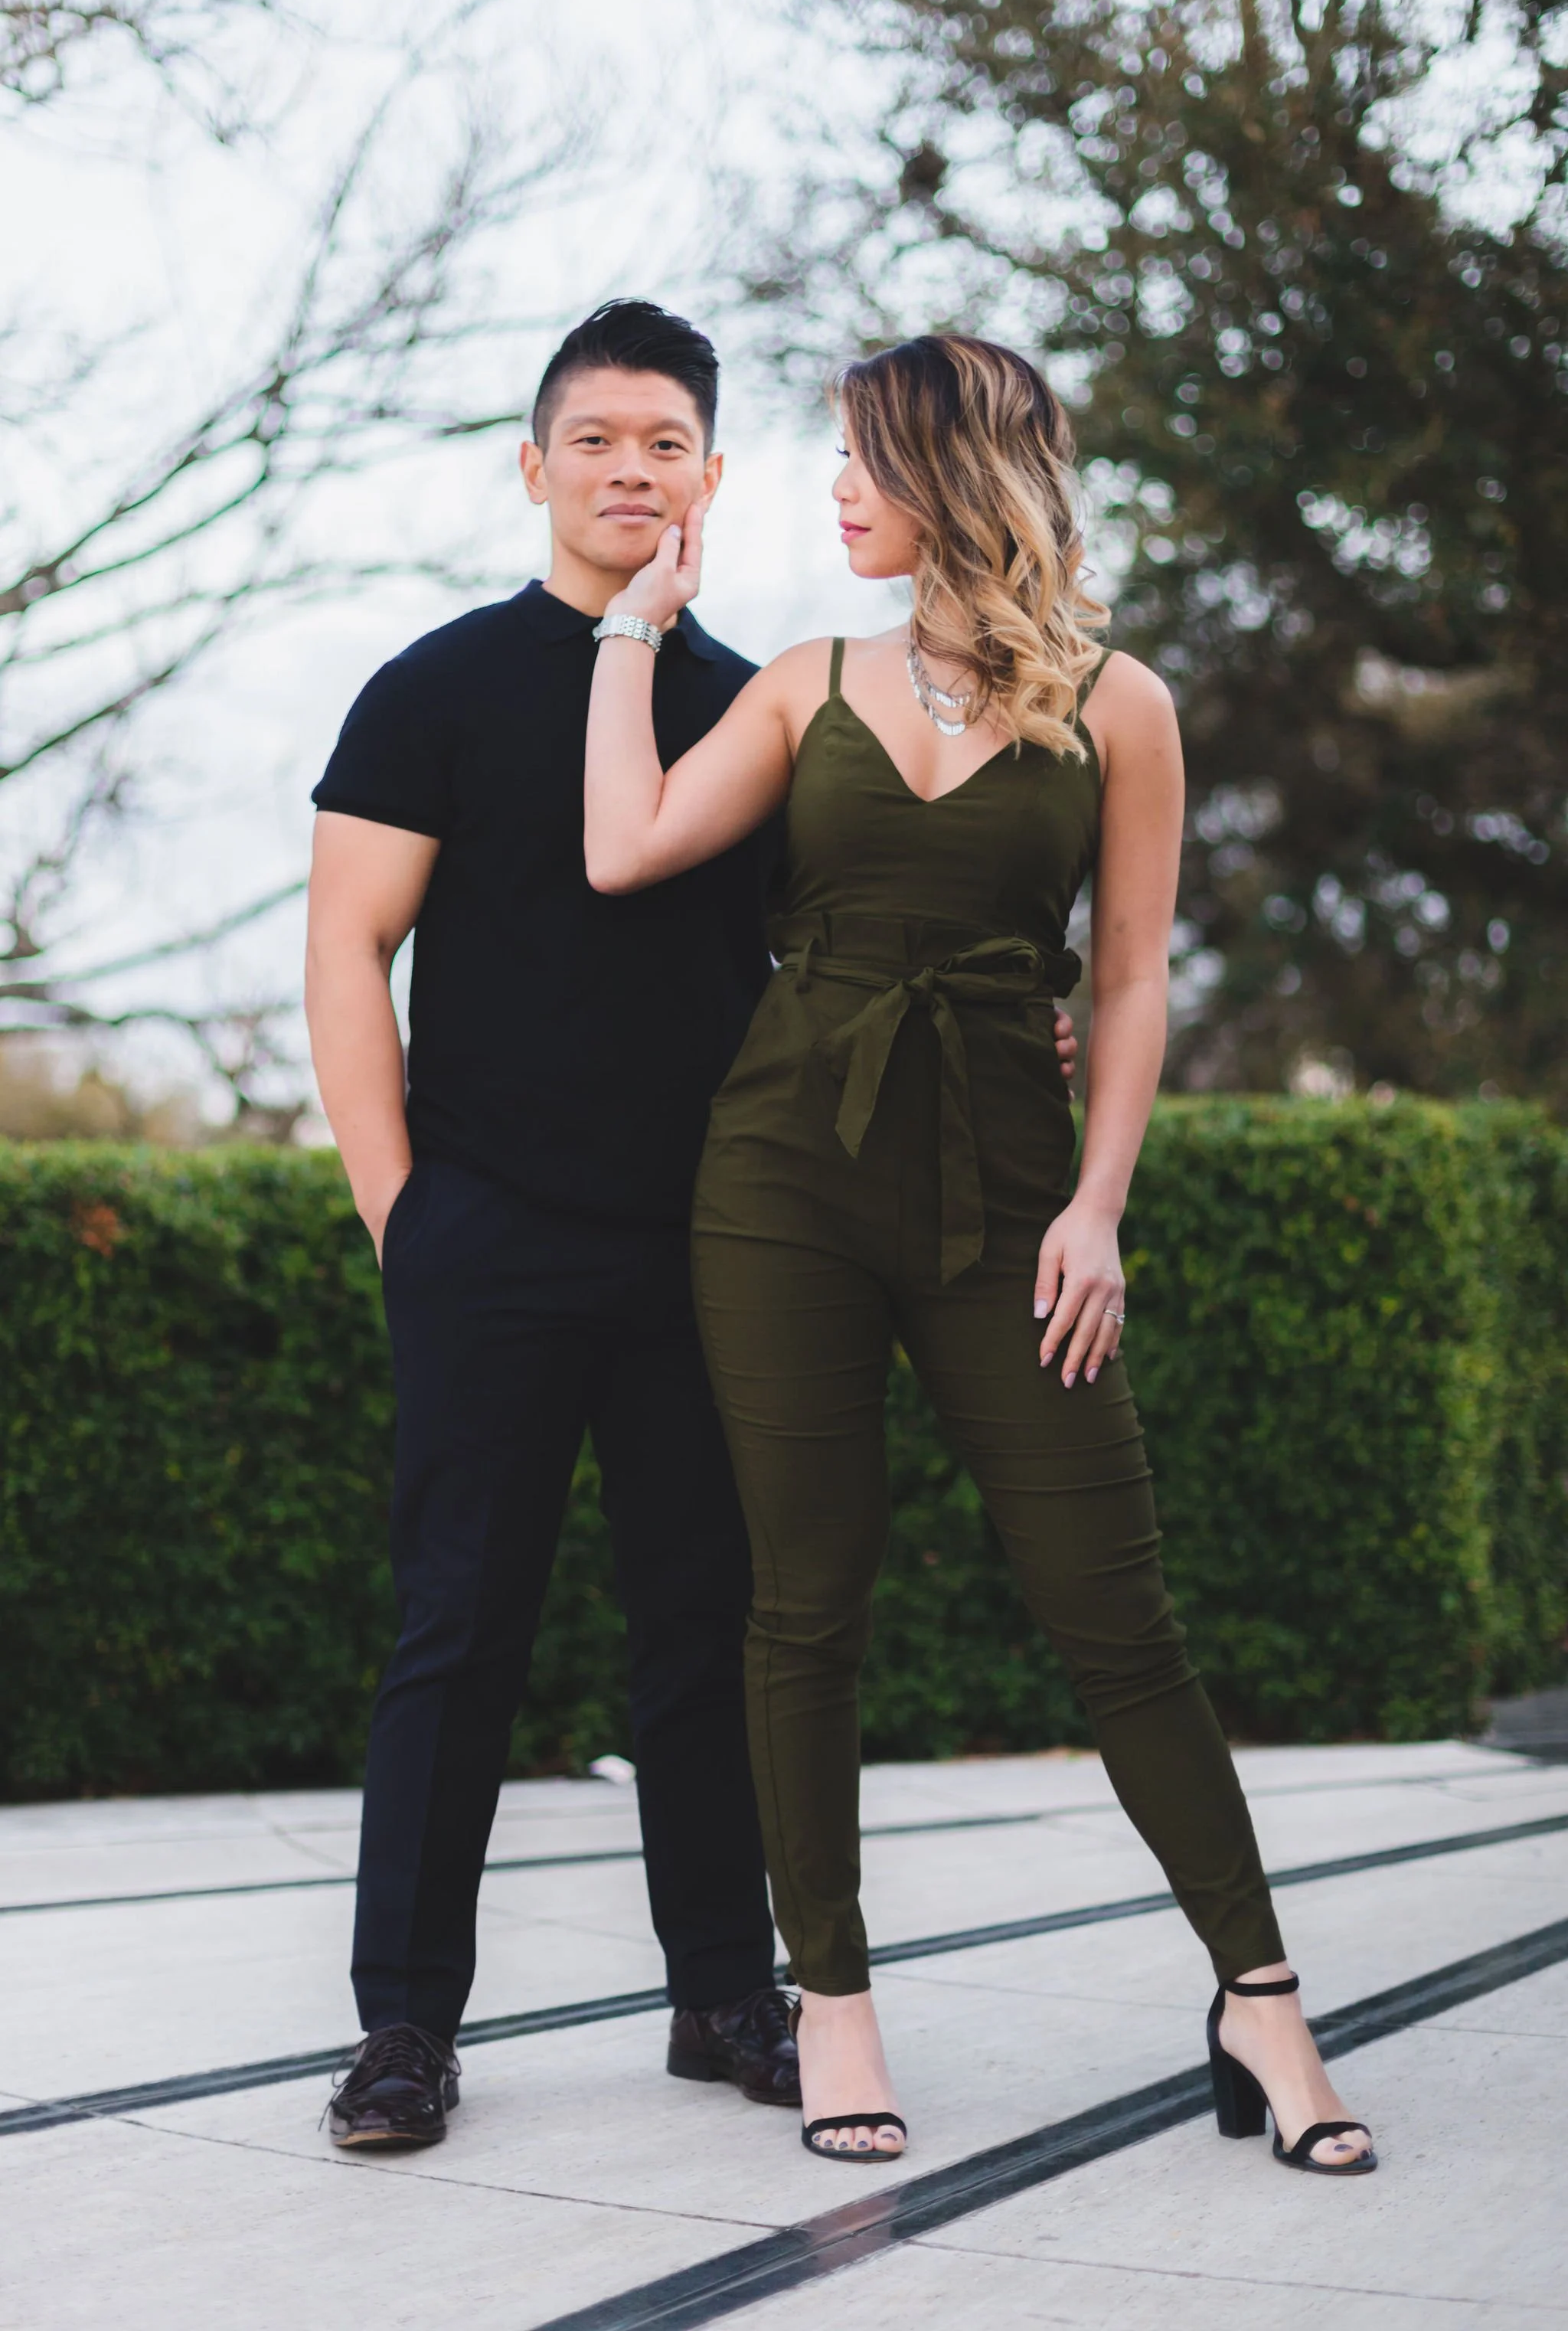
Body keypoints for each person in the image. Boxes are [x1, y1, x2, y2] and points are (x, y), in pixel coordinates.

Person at [582, 334, 1377, 2177]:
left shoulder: (1120, 704)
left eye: (864, 460)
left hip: (1014, 1194)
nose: (837, 492)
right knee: (807, 1603)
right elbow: (624, 847)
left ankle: (1262, 2004)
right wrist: (633, 628)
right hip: (780, 1180)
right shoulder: (805, 680)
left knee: (1119, 1612)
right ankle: (834, 2005)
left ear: (955, 473)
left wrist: (1098, 1206)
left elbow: (1129, 975)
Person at [303, 296, 1086, 2147]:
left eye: (666, 443)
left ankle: (725, 1994)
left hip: (718, 1241)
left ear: (712, 477)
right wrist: (405, 1218)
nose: (630, 471)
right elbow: (347, 950)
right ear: (534, 467)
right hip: (486, 1234)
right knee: (457, 1630)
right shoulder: (431, 688)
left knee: (715, 1625)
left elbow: (863, 948)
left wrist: (1014, 1018)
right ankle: (404, 2029)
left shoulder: (772, 704)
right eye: (595, 440)